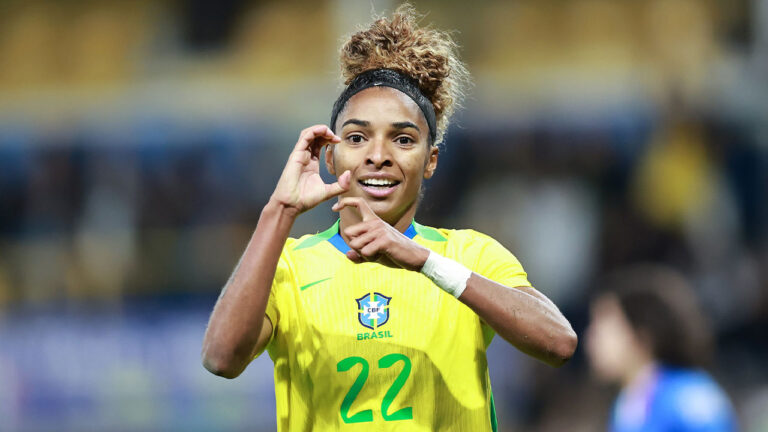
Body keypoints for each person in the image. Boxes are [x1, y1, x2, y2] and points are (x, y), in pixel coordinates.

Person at [202, 5, 577, 431]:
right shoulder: (289, 267)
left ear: (430, 160)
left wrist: (422, 260)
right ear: (330, 155)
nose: (378, 156)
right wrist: (280, 210)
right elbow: (221, 358)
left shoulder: (467, 254)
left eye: (402, 139)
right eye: (358, 137)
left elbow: (558, 342)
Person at [585, 264, 739, 432]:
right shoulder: (626, 404)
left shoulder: (689, 397)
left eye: (602, 329)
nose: (590, 339)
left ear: (641, 336)